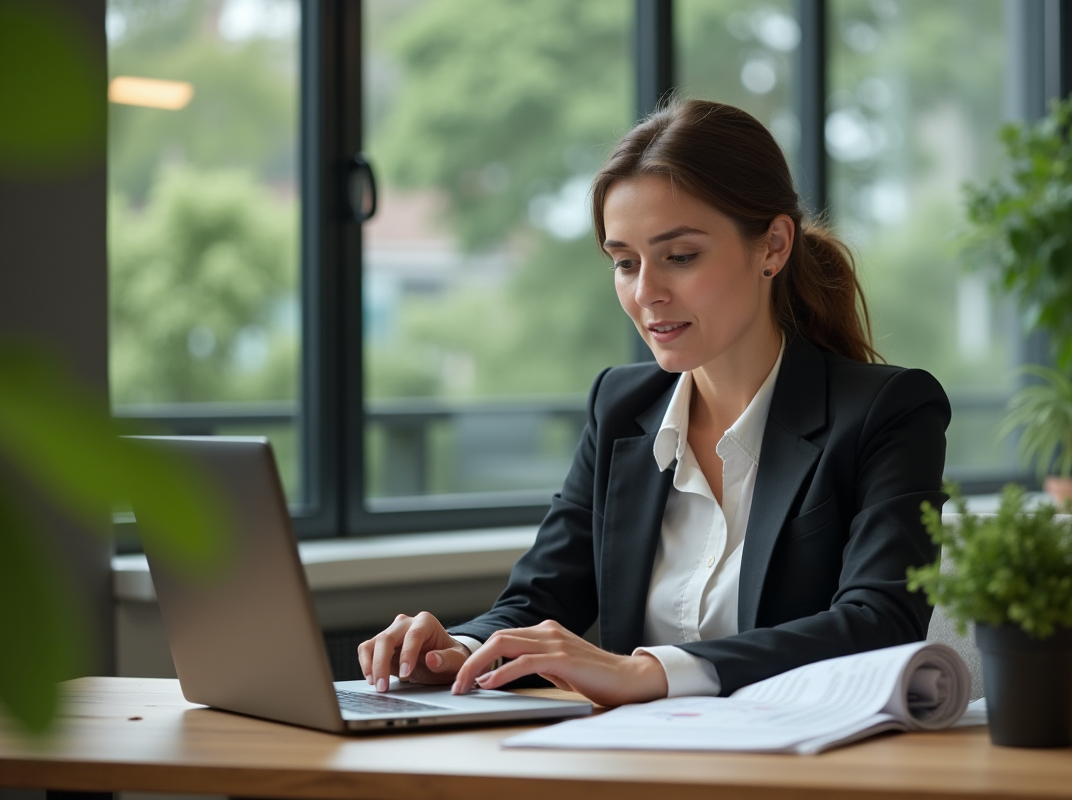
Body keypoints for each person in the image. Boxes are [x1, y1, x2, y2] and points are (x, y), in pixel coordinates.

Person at [358, 99, 950, 707]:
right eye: (624, 263)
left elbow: (880, 622)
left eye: (681, 257)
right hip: (638, 762)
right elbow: (537, 602)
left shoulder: (889, 410)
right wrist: (454, 650)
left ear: (773, 246)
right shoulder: (620, 406)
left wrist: (651, 672)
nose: (646, 293)